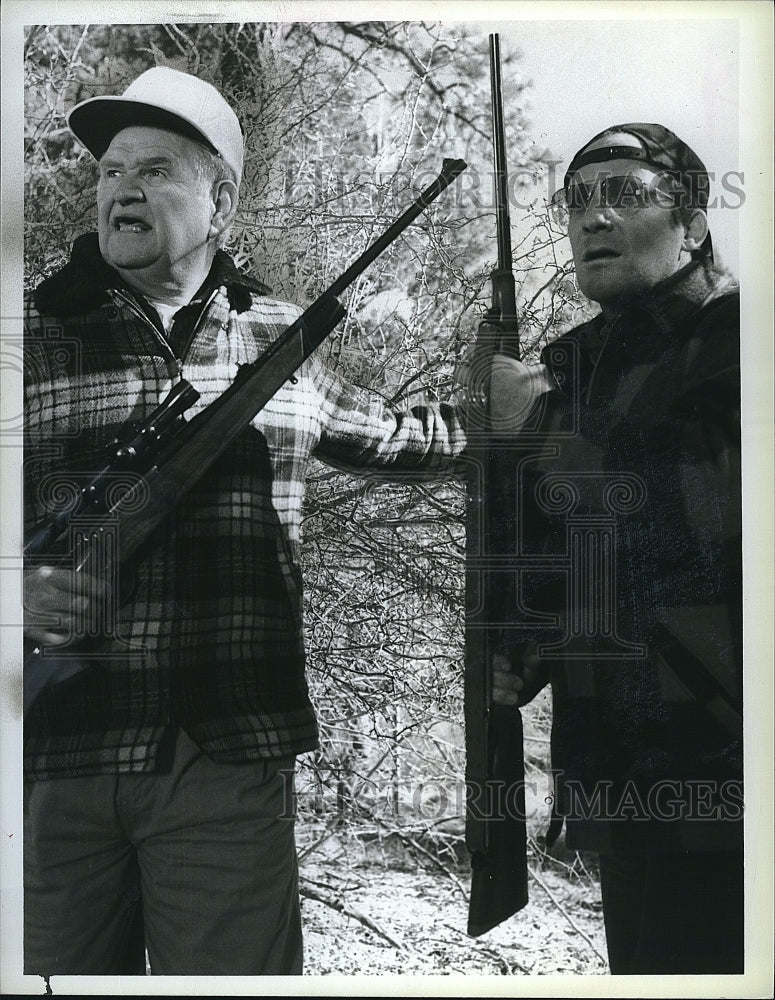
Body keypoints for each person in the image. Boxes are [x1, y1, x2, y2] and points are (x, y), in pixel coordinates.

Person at [22, 67, 472, 977]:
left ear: (219, 201)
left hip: (226, 752)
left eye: (153, 168)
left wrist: (509, 411)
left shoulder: (279, 338)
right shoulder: (29, 335)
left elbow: (403, 437)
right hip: (50, 760)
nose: (122, 189)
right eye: (109, 171)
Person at [491, 124, 743, 974]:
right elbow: (574, 549)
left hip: (728, 761)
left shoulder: (739, 334)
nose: (592, 219)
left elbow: (709, 505)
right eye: (577, 201)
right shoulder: (578, 365)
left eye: (625, 194)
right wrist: (524, 650)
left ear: (695, 224)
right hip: (617, 760)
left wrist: (541, 424)